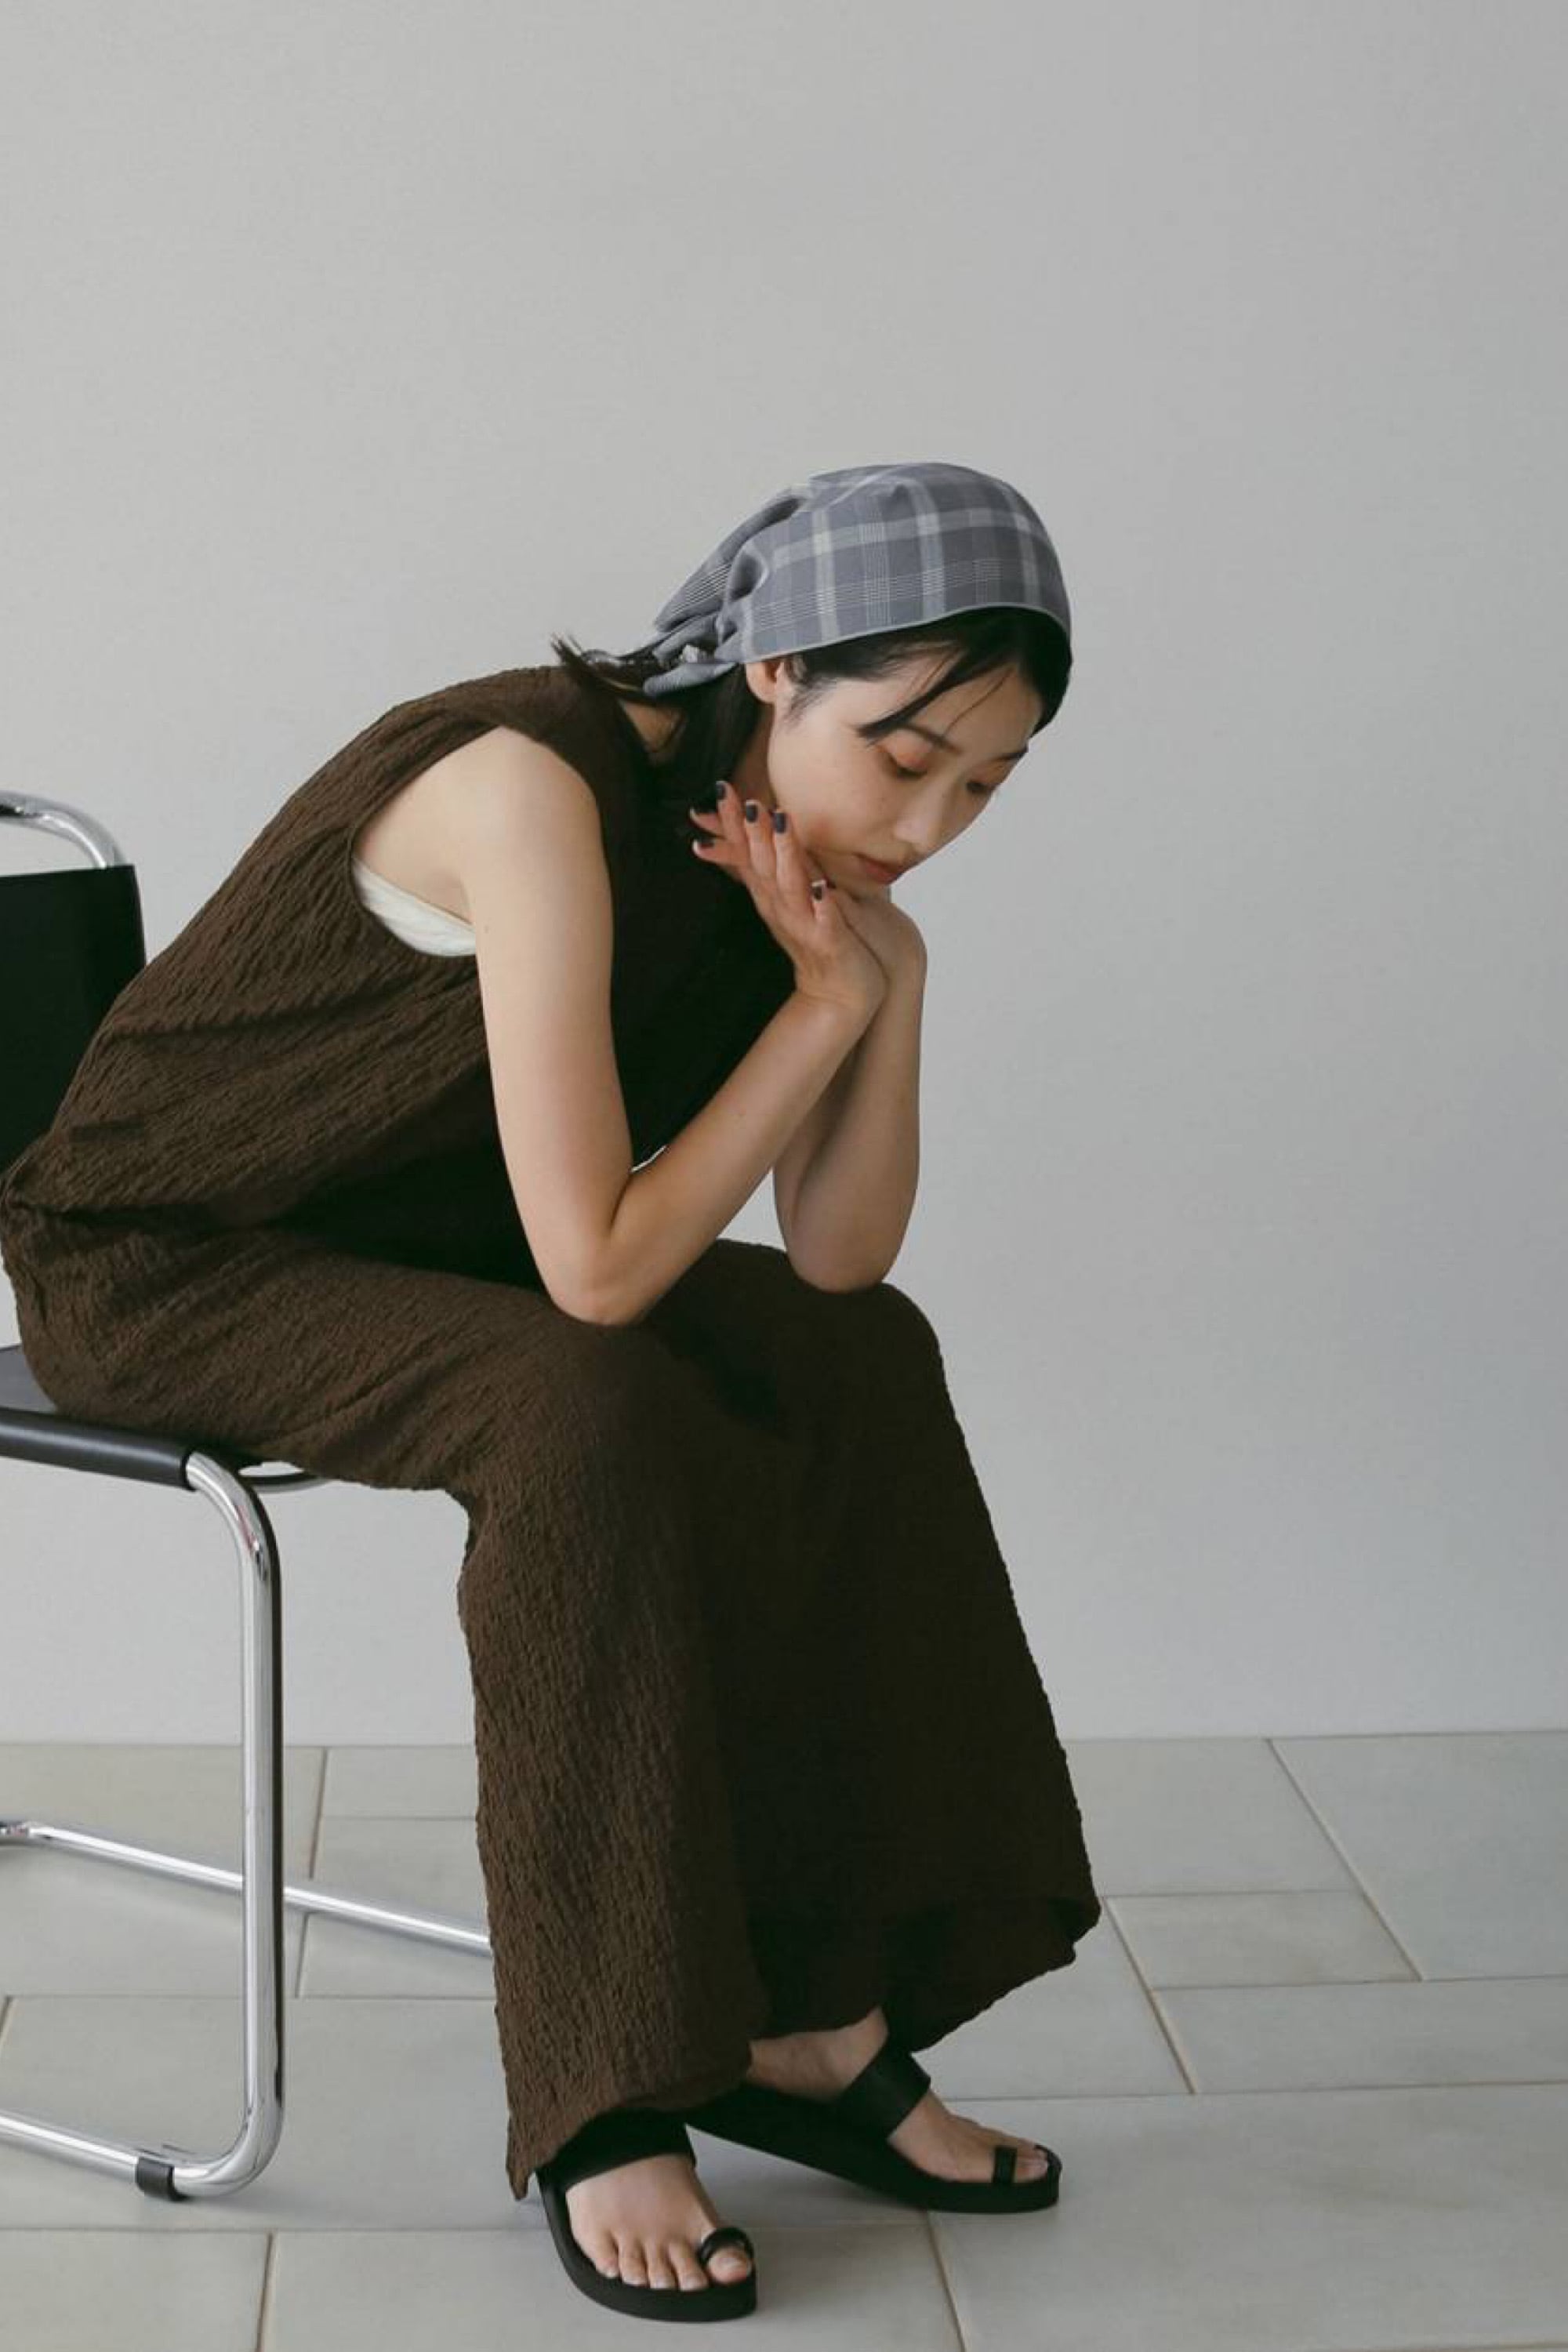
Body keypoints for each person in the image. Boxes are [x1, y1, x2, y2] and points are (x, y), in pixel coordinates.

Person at [0, 459, 1102, 2323]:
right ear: (777, 669)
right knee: (578, 1404)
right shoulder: (522, 787)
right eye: (905, 756)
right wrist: (816, 1011)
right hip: (166, 1257)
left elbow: (841, 1262)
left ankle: (811, 2023)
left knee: (846, 1355)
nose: (928, 823)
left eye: (984, 786)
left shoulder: (795, 865)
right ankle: (608, 2089)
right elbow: (594, 1273)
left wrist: (876, 983)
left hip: (429, 1252)